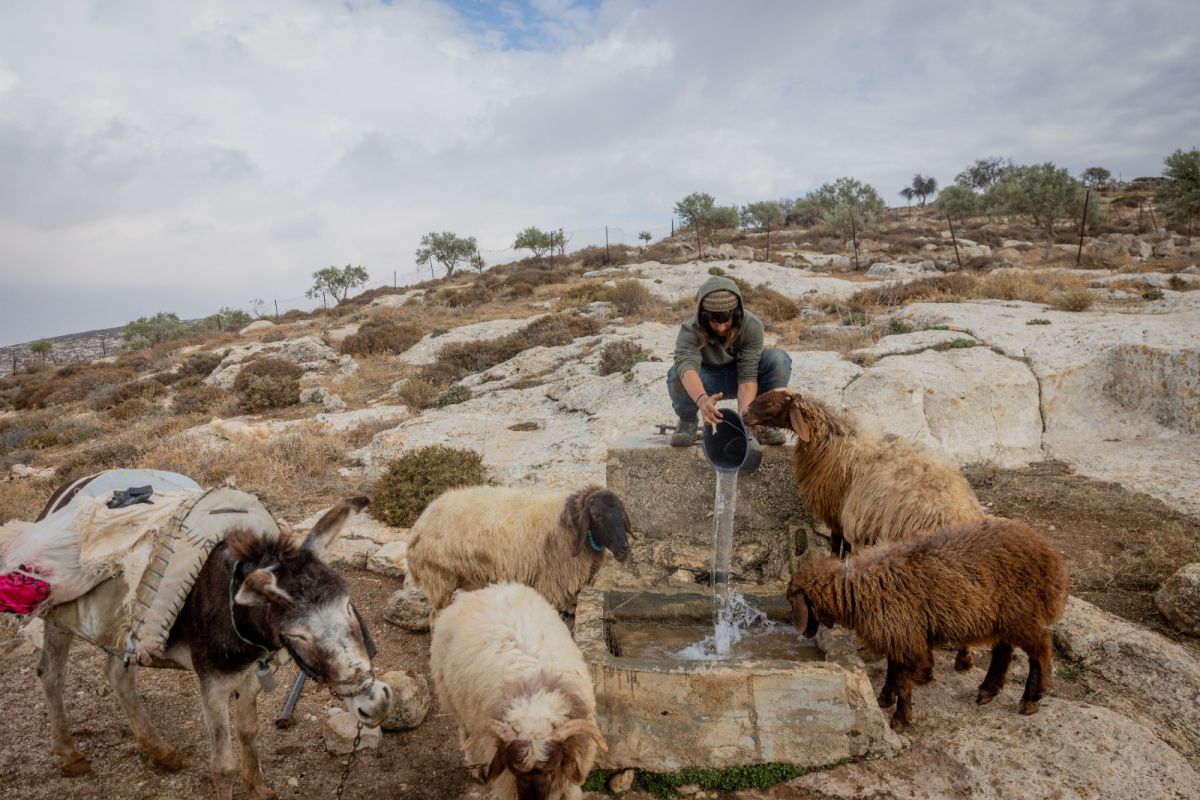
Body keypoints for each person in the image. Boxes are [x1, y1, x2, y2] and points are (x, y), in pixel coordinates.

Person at [667, 275, 792, 447]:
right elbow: (687, 368)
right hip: (707, 381)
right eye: (713, 321)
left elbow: (748, 375)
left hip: (740, 378)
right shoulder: (690, 330)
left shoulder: (752, 325)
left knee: (778, 360)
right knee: (676, 373)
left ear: (737, 313)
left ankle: (763, 422)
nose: (720, 328)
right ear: (703, 316)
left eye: (726, 321)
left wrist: (746, 419)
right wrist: (703, 400)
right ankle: (687, 422)